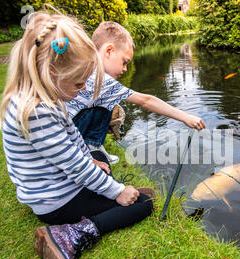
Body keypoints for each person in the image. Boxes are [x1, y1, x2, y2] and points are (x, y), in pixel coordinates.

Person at [0, 11, 155, 259]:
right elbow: (75, 168)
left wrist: (92, 160)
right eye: (79, 84)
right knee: (143, 206)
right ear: (53, 72)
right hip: (55, 200)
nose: (82, 89)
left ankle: (117, 194)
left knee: (100, 161)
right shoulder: (38, 112)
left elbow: (73, 139)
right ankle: (68, 235)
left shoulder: (43, 97)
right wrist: (115, 191)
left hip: (50, 185)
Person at [67, 21, 206, 164]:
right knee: (112, 98)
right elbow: (146, 101)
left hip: (67, 130)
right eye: (124, 62)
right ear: (108, 51)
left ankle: (93, 143)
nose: (125, 69)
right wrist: (185, 117)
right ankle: (92, 145)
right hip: (70, 138)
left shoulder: (83, 65)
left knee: (112, 99)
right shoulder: (101, 79)